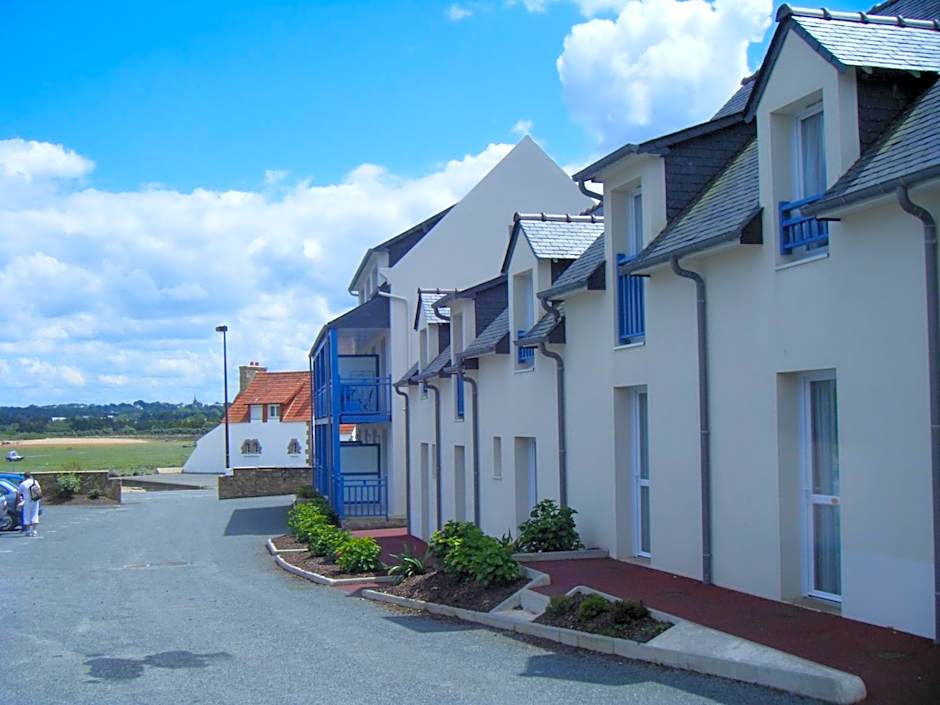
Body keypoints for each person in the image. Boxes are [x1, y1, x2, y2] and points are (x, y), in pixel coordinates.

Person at [17, 472, 41, 538]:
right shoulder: (35, 482)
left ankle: (28, 531)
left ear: (24, 477)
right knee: (35, 514)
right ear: (30, 476)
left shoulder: (23, 484)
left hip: (27, 501)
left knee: (26, 515)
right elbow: (39, 490)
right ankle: (34, 530)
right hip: (35, 500)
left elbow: (19, 493)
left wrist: (19, 501)